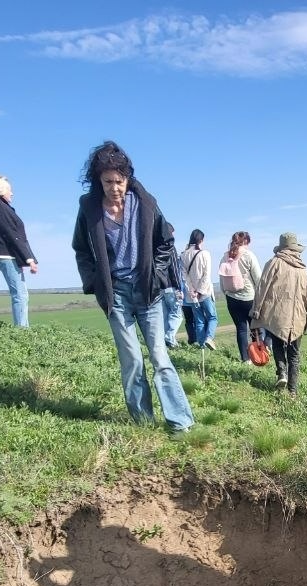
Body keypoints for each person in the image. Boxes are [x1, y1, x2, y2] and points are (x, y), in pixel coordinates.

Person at [71, 140, 194, 432]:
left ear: (128, 178)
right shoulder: (89, 208)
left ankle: (180, 423)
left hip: (147, 292)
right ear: (98, 180)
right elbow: (81, 250)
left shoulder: (146, 203)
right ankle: (143, 424)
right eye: (108, 181)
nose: (114, 187)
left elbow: (165, 242)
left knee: (160, 358)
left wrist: (158, 275)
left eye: (119, 181)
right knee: (132, 361)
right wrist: (95, 282)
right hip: (117, 296)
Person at [251, 232, 307, 395]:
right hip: (298, 316)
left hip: (277, 314)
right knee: (294, 353)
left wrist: (256, 308)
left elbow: (262, 287)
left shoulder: (273, 263)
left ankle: (282, 372)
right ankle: (293, 391)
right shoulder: (303, 269)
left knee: (278, 345)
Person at [0, 174, 38, 328]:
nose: (12, 193)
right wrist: (28, 259)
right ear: (1, 191)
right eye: (9, 190)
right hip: (4, 253)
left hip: (6, 254)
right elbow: (11, 233)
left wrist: (23, 258)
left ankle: (23, 328)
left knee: (21, 294)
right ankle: (21, 332)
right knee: (20, 294)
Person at [220, 231, 266, 362]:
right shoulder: (249, 255)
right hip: (248, 297)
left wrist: (227, 293)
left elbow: (221, 278)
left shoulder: (225, 256)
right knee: (255, 329)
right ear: (246, 241)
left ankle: (246, 359)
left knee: (240, 329)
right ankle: (259, 357)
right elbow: (258, 278)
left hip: (231, 299)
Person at [182, 229, 218, 350]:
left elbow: (184, 276)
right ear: (201, 240)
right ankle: (209, 338)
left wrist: (192, 291)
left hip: (192, 296)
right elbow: (206, 275)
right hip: (204, 293)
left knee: (199, 321)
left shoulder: (184, 254)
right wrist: (200, 291)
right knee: (212, 317)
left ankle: (202, 347)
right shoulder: (204, 254)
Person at [161, 222, 185, 350]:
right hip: (171, 286)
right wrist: (179, 287)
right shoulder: (171, 248)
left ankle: (166, 340)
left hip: (160, 287)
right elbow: (175, 269)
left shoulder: (155, 248)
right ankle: (170, 337)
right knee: (177, 314)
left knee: (165, 315)